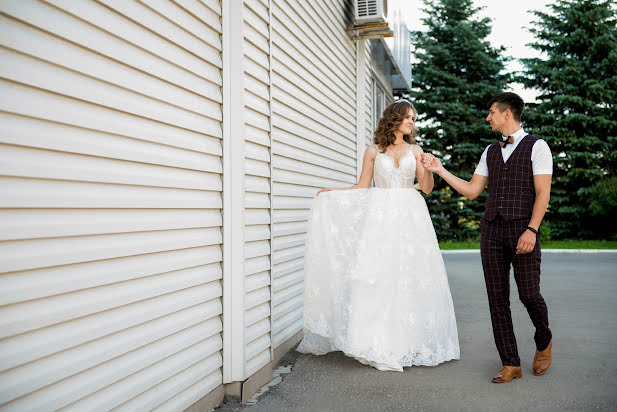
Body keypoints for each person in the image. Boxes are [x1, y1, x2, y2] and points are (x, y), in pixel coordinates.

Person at [296, 100, 460, 372]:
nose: (411, 122)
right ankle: (372, 339)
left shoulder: (416, 150)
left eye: (413, 118)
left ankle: (409, 341)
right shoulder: (373, 150)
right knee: (375, 275)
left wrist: (430, 168)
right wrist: (333, 193)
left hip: (410, 215)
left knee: (409, 275)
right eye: (407, 117)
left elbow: (427, 188)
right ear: (393, 119)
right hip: (380, 217)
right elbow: (362, 186)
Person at [421, 92, 553, 383]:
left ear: (507, 114)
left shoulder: (537, 147)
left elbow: (543, 193)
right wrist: (439, 169)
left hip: (523, 230)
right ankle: (511, 363)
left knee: (529, 294)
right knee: (497, 299)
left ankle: (544, 339)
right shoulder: (490, 151)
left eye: (492, 112)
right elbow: (471, 190)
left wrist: (531, 230)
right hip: (492, 231)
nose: (488, 117)